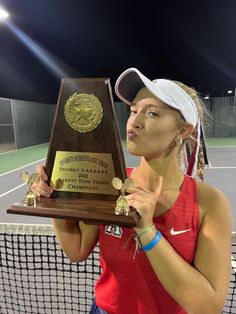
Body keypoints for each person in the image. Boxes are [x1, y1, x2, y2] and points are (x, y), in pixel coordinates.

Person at [33, 68, 232, 314]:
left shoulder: (209, 203)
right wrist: (53, 200)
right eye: (134, 110)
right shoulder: (110, 181)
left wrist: (146, 230)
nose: (134, 122)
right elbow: (77, 249)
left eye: (152, 113)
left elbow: (207, 307)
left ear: (183, 131)